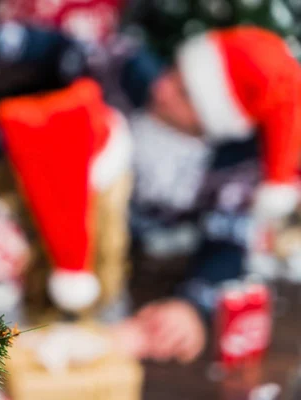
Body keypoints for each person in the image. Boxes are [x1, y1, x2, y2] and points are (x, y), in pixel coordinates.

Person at [129, 26, 301, 363]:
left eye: (186, 94)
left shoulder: (231, 168)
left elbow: (227, 244)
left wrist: (191, 307)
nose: (161, 88)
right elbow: (57, 49)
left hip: (140, 281)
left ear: (215, 119)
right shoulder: (128, 75)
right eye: (173, 71)